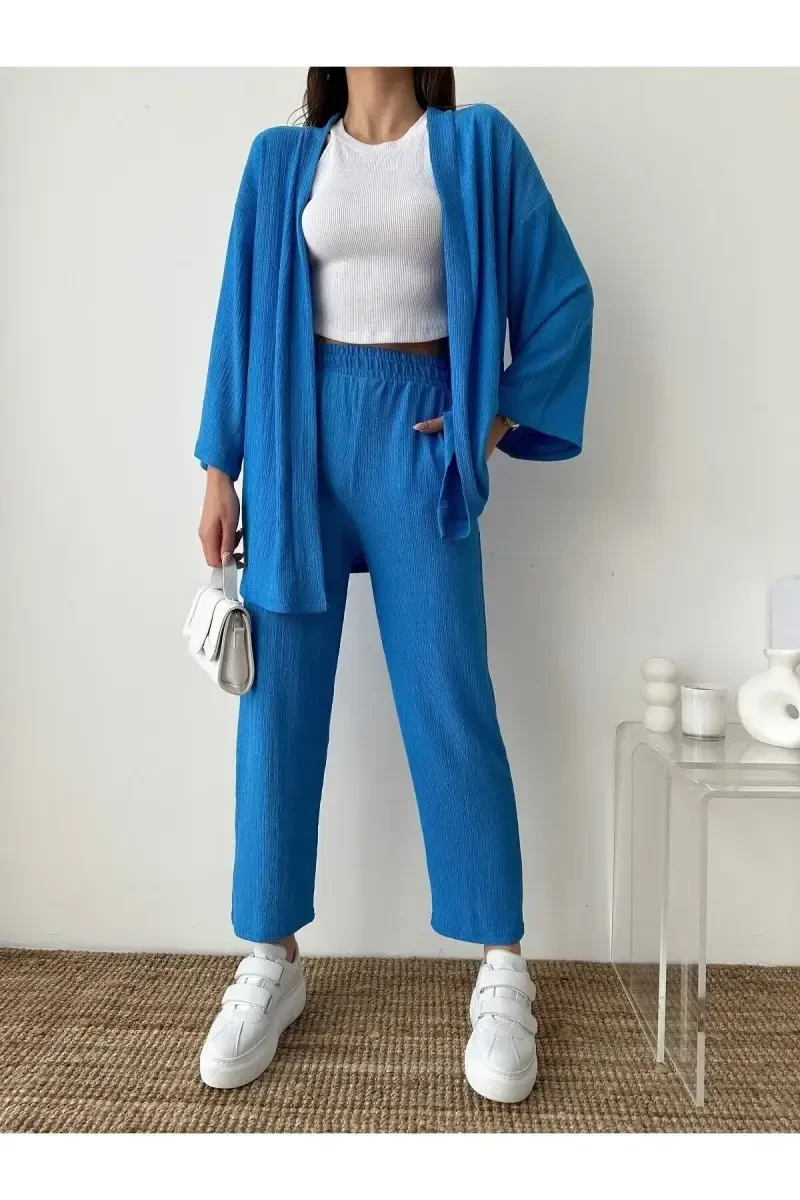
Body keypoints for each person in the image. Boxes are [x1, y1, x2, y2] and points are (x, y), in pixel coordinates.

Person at [194, 67, 593, 1105]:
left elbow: (562, 296)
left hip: (420, 444)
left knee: (449, 695)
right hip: (294, 444)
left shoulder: (476, 145)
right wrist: (218, 468)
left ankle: (501, 965)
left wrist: (488, 419)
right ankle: (270, 959)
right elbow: (241, 315)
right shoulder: (281, 160)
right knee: (277, 707)